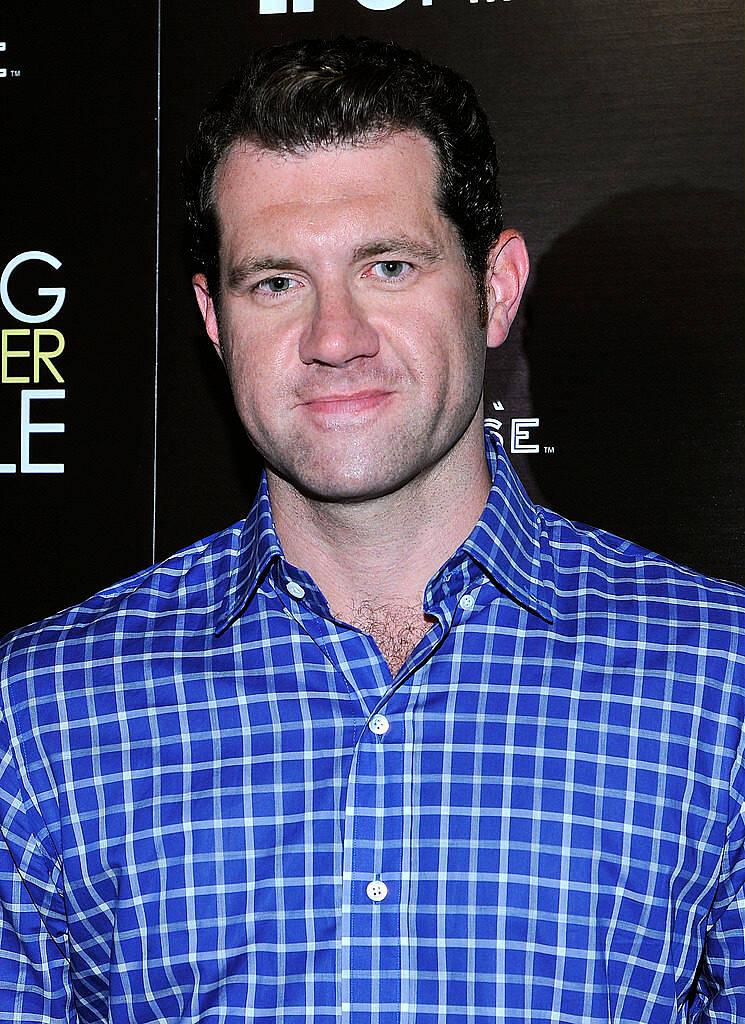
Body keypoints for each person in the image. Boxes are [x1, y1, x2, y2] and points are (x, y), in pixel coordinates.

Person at [0, 36, 743, 1024]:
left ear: (496, 287)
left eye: (387, 266)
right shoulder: (42, 714)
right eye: (275, 282)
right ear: (213, 322)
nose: (333, 337)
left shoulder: (721, 682)